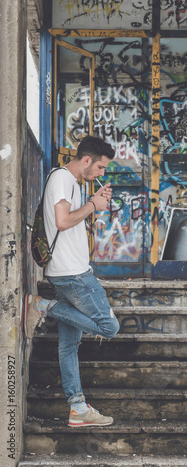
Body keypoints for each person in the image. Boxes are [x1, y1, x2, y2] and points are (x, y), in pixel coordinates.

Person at [25, 135, 120, 427]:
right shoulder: (63, 179)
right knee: (109, 326)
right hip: (73, 274)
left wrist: (94, 203)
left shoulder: (73, 184)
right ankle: (41, 305)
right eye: (101, 167)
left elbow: (66, 225)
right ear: (87, 160)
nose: (102, 173)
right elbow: (63, 221)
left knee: (68, 346)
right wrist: (93, 205)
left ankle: (77, 408)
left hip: (68, 270)